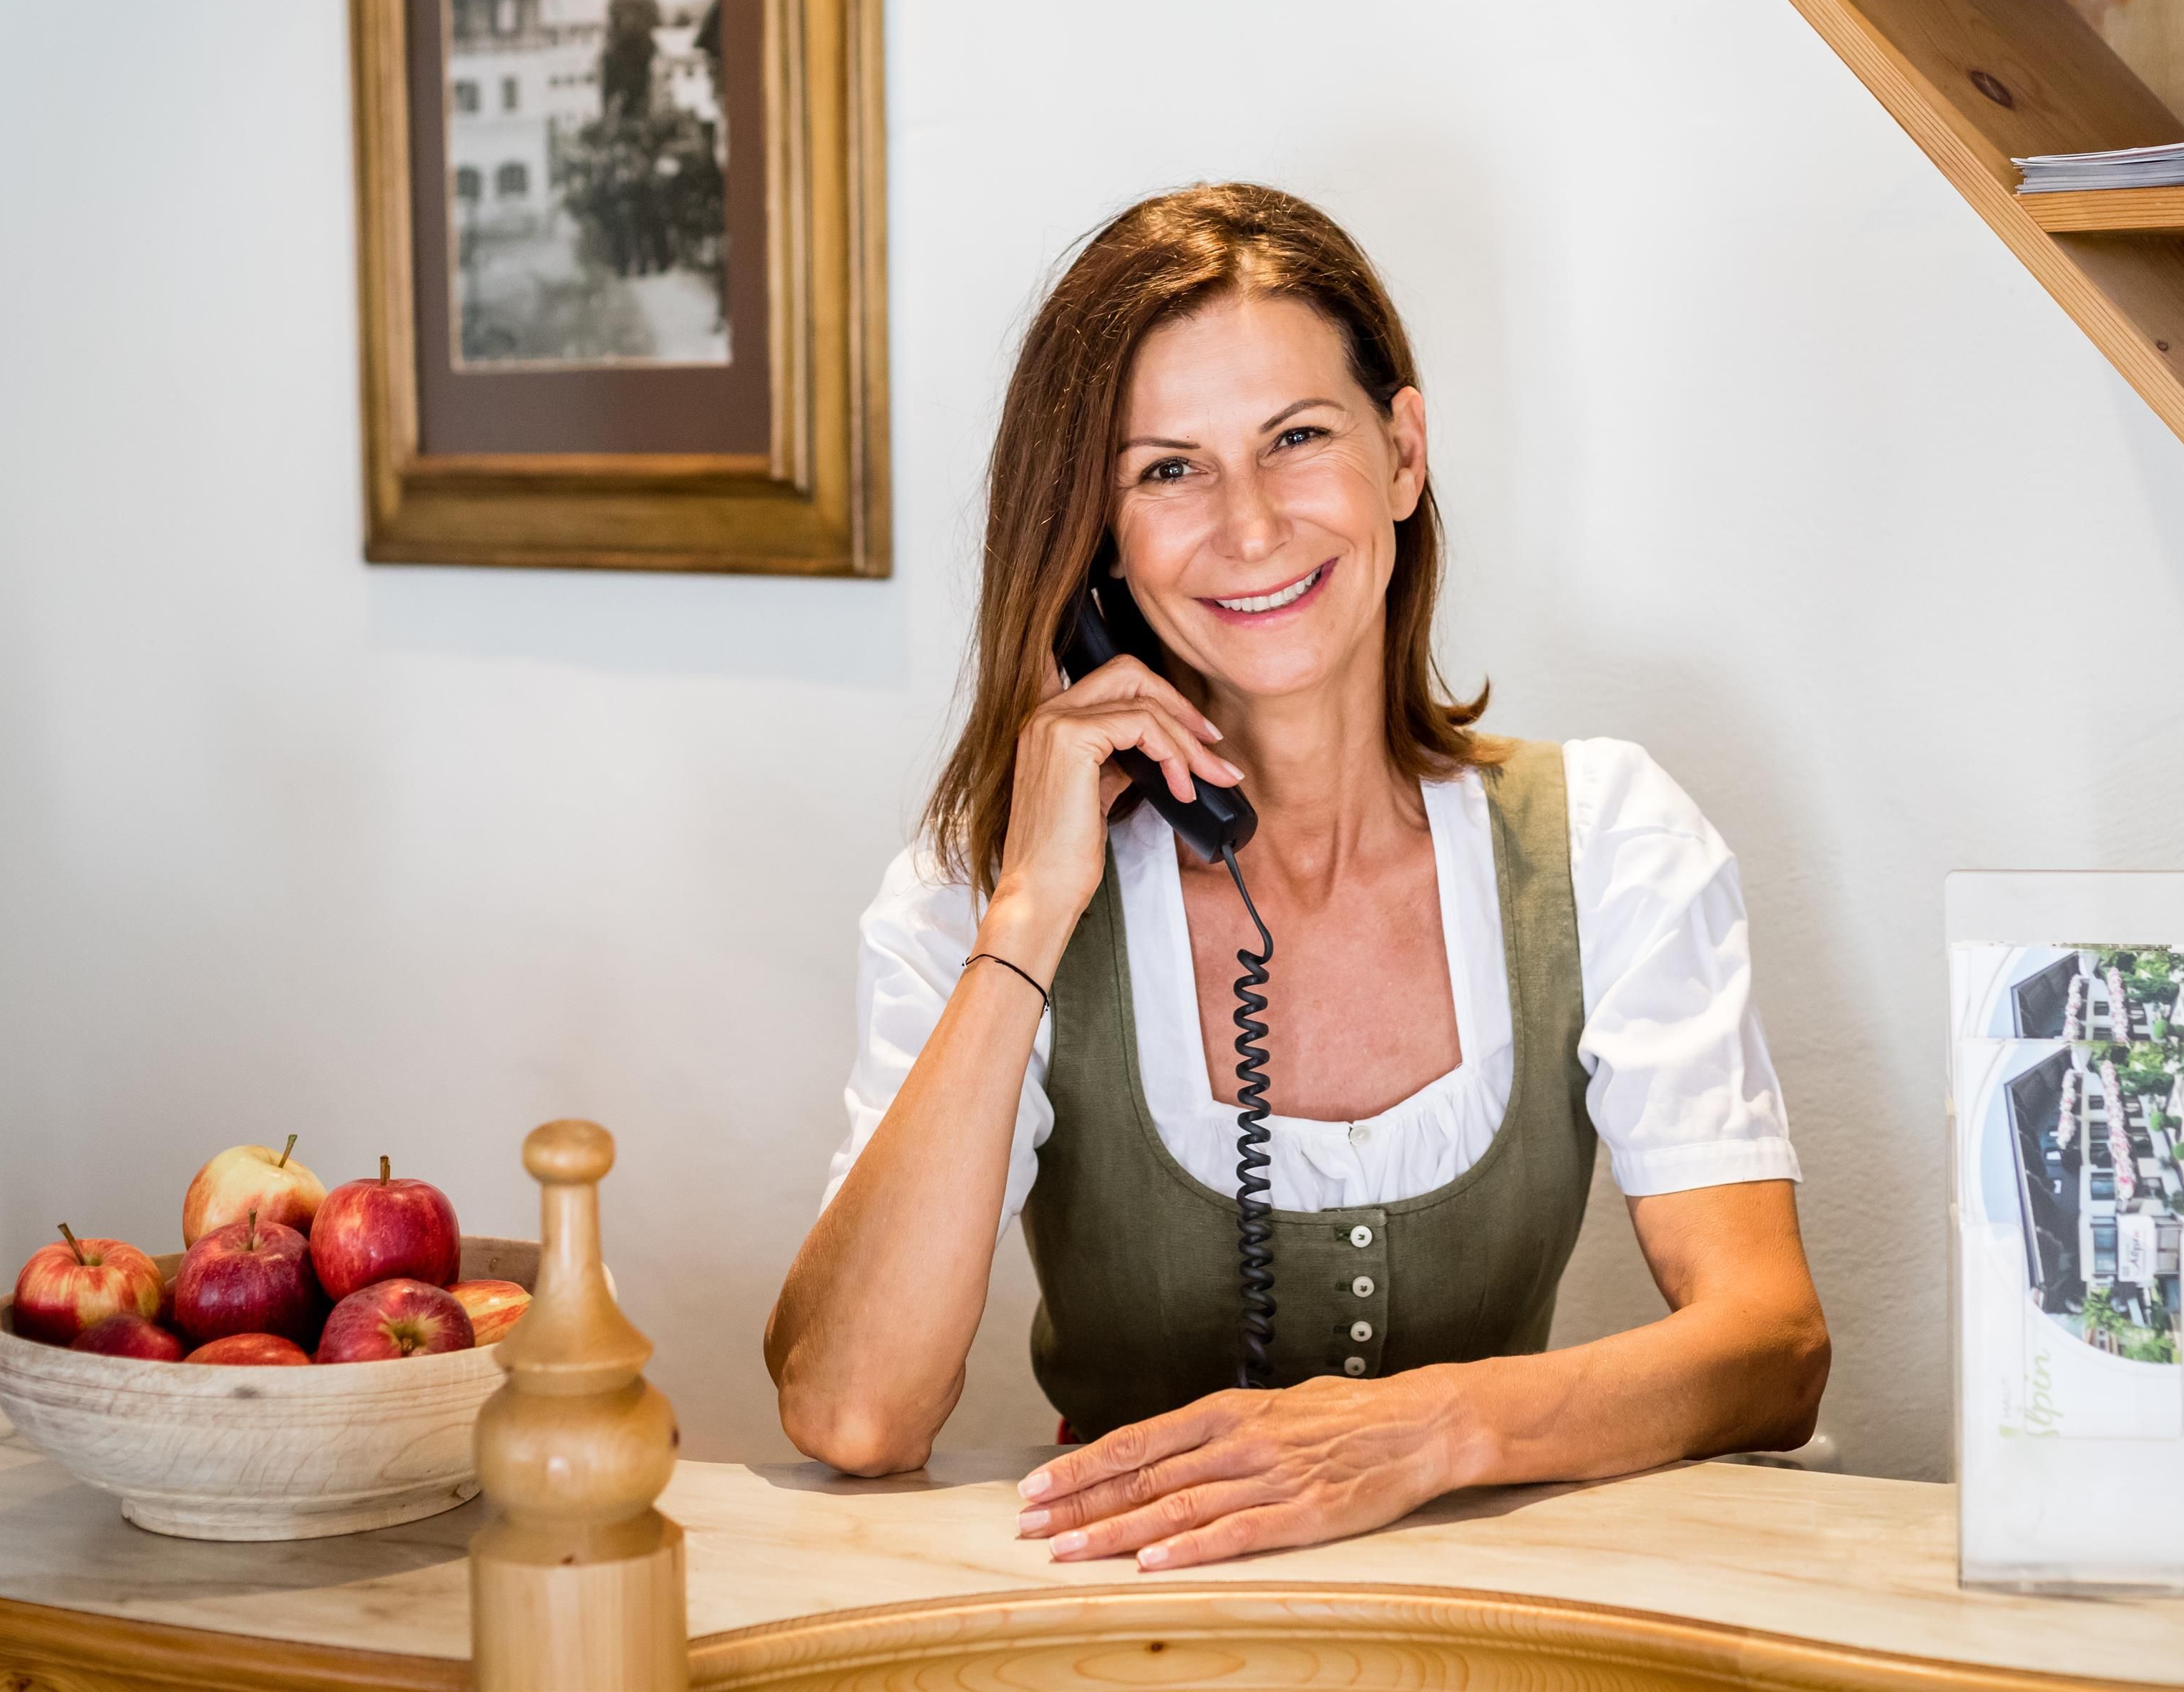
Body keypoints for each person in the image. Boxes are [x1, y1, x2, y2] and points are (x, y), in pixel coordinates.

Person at [766, 183, 1829, 1570]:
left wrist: (1426, 1431)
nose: (1252, 525)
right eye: (1168, 470)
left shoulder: (1610, 840)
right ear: (1097, 541)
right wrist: (1027, 914)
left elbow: (1770, 1350)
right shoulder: (976, 894)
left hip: (1498, 1630)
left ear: (1402, 453)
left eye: (1297, 439)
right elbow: (854, 1413)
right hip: (1126, 1638)